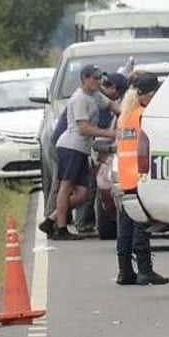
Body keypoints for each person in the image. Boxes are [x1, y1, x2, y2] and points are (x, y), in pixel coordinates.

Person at [41, 65, 116, 240]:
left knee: (83, 194)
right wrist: (110, 133)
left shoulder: (95, 95)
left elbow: (112, 104)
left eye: (99, 79)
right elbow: (84, 128)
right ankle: (61, 228)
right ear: (84, 79)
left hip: (81, 150)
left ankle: (50, 220)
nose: (97, 82)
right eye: (94, 78)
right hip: (71, 147)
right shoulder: (79, 99)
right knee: (65, 187)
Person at [113, 73, 169, 286]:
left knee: (126, 227)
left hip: (125, 177)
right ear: (146, 95)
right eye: (155, 94)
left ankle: (125, 271)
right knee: (141, 225)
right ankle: (145, 270)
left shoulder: (125, 115)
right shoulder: (143, 115)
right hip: (139, 176)